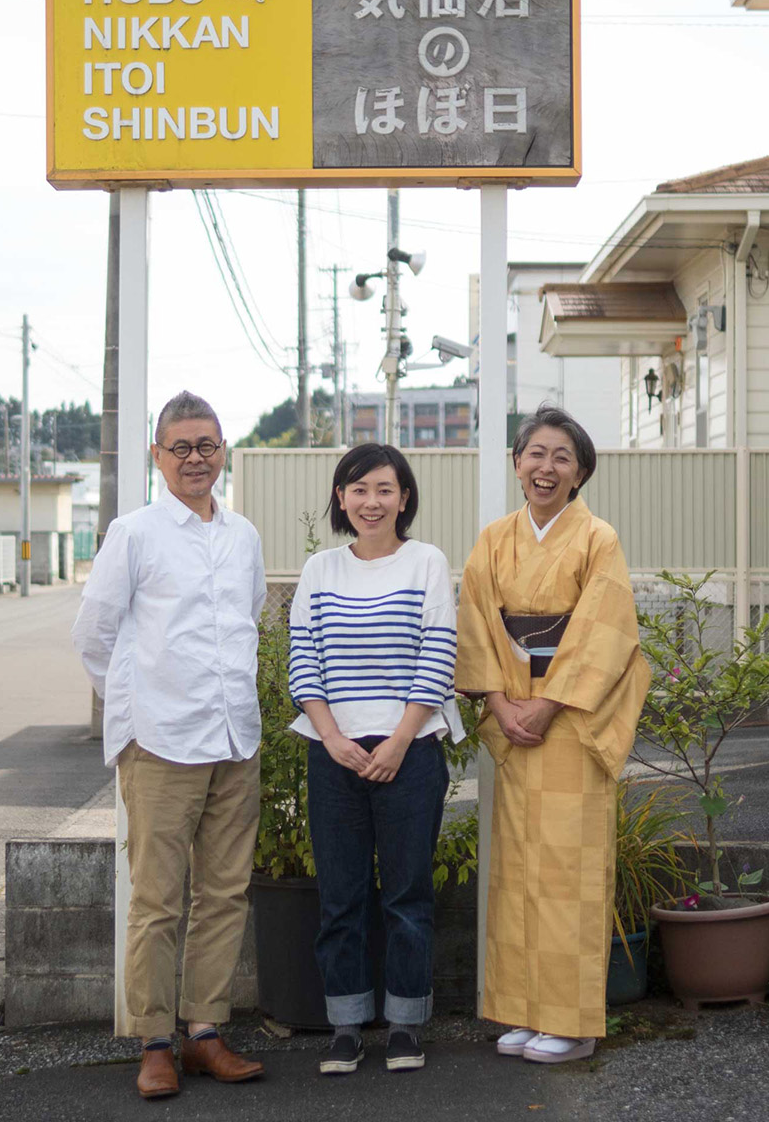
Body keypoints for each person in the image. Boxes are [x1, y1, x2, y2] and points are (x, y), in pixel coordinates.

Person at [72, 391, 267, 1100]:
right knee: (157, 899)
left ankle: (206, 1031)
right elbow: (93, 633)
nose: (195, 458)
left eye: (206, 444)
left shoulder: (242, 536)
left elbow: (246, 618)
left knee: (224, 894)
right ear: (157, 457)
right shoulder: (136, 533)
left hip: (233, 737)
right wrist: (136, 706)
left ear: (224, 452)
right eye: (180, 446)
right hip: (159, 742)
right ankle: (155, 1043)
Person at [454, 404, 649, 1065]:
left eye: (561, 457)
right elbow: (477, 622)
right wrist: (501, 701)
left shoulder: (599, 539)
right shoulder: (493, 540)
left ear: (581, 474)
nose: (546, 467)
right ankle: (521, 1008)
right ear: (517, 463)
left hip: (567, 725)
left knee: (568, 871)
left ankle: (569, 1022)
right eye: (535, 453)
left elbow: (606, 630)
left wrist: (549, 703)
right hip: (514, 721)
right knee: (516, 872)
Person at [289, 444, 463, 1076]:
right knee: (341, 893)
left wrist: (397, 739)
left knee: (407, 894)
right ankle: (344, 1027)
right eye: (358, 490)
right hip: (331, 751)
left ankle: (406, 1026)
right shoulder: (320, 569)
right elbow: (302, 659)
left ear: (405, 498)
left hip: (410, 750)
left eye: (384, 490)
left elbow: (438, 656)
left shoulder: (427, 563)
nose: (371, 502)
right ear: (341, 499)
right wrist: (333, 738)